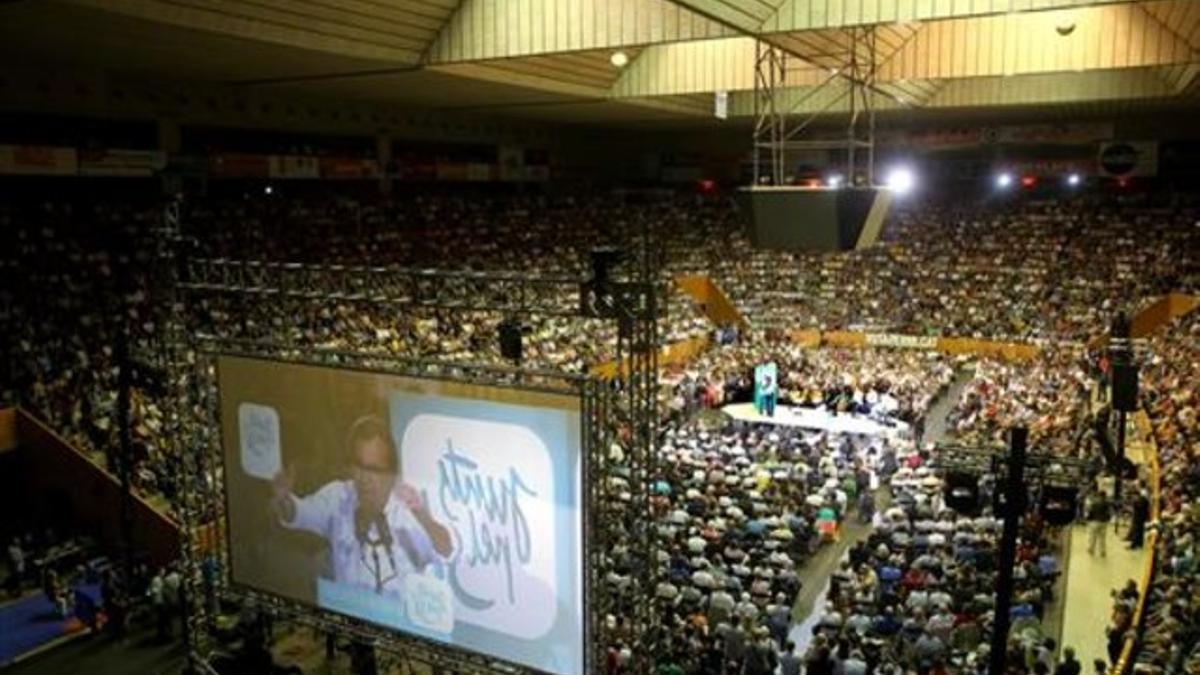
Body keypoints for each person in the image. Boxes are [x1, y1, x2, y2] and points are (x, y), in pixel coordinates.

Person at [271, 415, 453, 597]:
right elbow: (298, 513)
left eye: (374, 469)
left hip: (399, 621)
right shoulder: (338, 498)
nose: (365, 478)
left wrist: (424, 518)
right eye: (359, 467)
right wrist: (283, 499)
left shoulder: (409, 508)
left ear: (391, 474)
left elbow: (446, 549)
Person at [1087, 490, 1111, 557]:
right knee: (1102, 538)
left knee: (1093, 537)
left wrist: (1088, 519)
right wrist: (1107, 519)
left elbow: (1090, 512)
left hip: (1095, 522)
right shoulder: (1107, 503)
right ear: (1105, 496)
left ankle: (1091, 549)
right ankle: (1102, 552)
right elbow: (1109, 513)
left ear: (1098, 495)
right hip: (1103, 522)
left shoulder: (1094, 503)